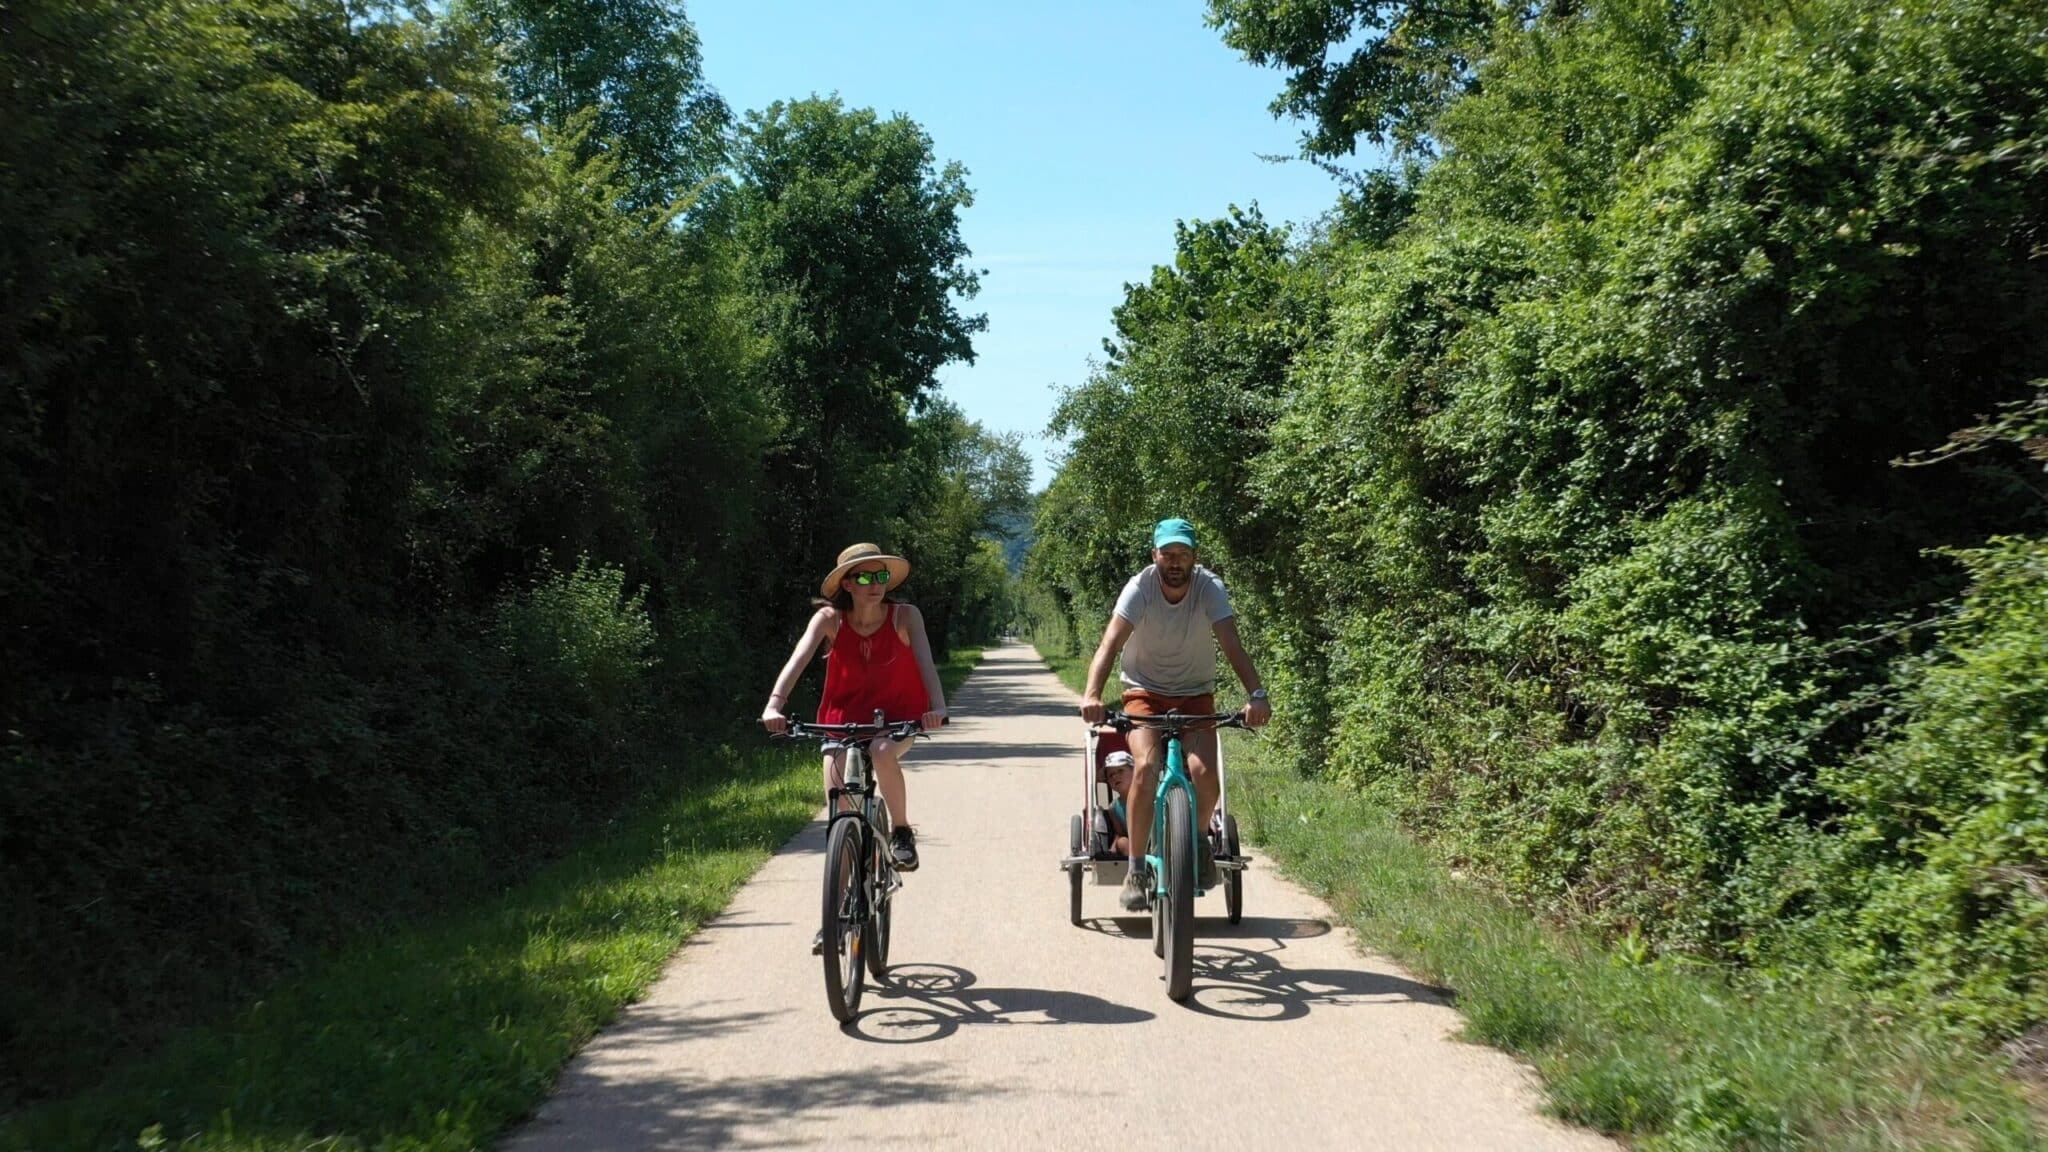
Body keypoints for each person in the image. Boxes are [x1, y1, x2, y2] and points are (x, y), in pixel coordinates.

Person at [1079, 518, 1271, 912]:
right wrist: (1092, 693)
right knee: (1146, 768)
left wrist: (1256, 694)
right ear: (1155, 556)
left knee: (1204, 775)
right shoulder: (1140, 587)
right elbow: (1110, 643)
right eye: (1168, 554)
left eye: (1183, 554)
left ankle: (1198, 842)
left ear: (1194, 557)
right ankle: (1135, 870)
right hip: (1143, 694)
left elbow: (1231, 643)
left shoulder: (1208, 588)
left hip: (1196, 695)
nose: (1175, 562)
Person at [762, 543, 949, 876]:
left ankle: (902, 832)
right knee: (839, 814)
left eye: (881, 576)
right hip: (841, 721)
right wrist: (774, 706)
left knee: (880, 751)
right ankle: (840, 913)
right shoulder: (829, 619)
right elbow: (798, 661)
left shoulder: (905, 616)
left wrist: (937, 707)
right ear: (847, 584)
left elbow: (926, 664)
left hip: (897, 718)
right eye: (865, 578)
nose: (876, 584)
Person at [1095, 749, 1135, 857]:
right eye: (1111, 775)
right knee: (1122, 842)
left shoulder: (1148, 796)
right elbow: (1120, 833)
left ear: (1134, 771)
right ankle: (1139, 868)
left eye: (1120, 771)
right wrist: (1111, 851)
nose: (1115, 777)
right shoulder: (1114, 807)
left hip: (1156, 842)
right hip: (1133, 847)